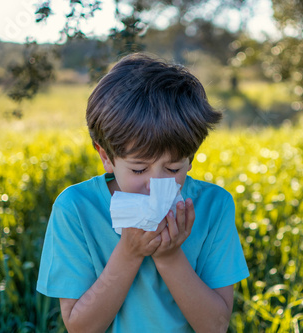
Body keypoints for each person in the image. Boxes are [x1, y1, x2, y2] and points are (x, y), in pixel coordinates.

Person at [36, 53, 250, 332]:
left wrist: (169, 256)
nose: (155, 184)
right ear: (106, 156)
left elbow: (215, 326)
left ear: (191, 158)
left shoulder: (213, 205)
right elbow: (81, 327)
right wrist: (129, 252)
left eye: (173, 169)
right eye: (139, 170)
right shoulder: (76, 208)